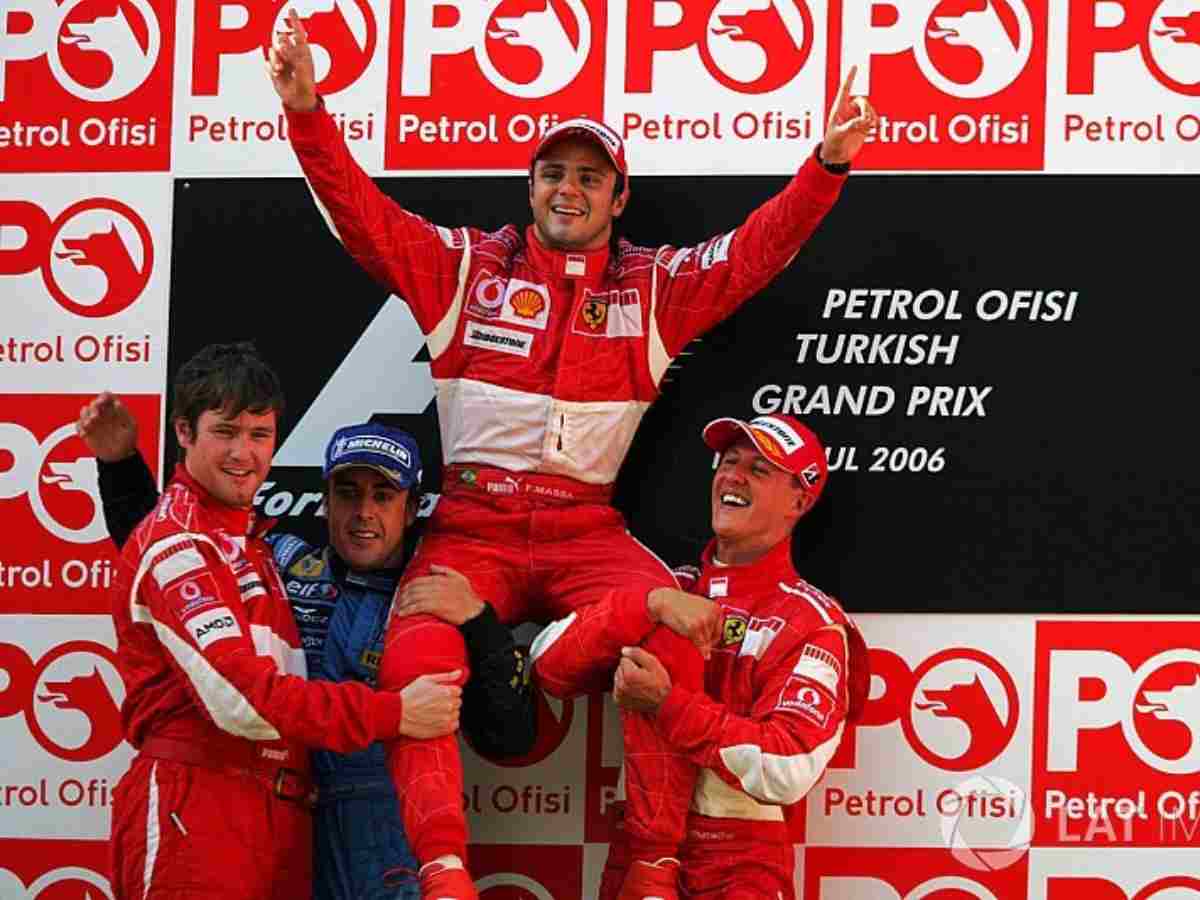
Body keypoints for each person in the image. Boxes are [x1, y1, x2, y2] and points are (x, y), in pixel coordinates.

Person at [267, 14, 877, 898]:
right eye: (553, 173)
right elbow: (366, 220)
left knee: (674, 624)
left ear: (619, 198)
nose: (569, 190)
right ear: (529, 187)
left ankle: (654, 868)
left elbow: (752, 255)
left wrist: (824, 169)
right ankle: (444, 882)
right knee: (413, 653)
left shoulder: (656, 286)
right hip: (472, 521)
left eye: (590, 178)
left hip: (583, 528)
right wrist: (307, 116)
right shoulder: (467, 268)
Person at [79, 392, 537, 900]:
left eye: (383, 497)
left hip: (380, 830)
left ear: (412, 510)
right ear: (325, 501)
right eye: (348, 493)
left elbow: (510, 737)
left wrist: (480, 624)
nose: (363, 513)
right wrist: (119, 464)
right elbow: (167, 555)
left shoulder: (438, 596)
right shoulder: (276, 563)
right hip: (273, 812)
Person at [603, 414, 870, 900]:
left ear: (799, 500)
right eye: (728, 461)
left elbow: (788, 769)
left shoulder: (812, 620)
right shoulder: (663, 588)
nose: (732, 476)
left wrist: (666, 704)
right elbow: (550, 664)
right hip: (637, 853)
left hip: (737, 861)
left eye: (759, 469)